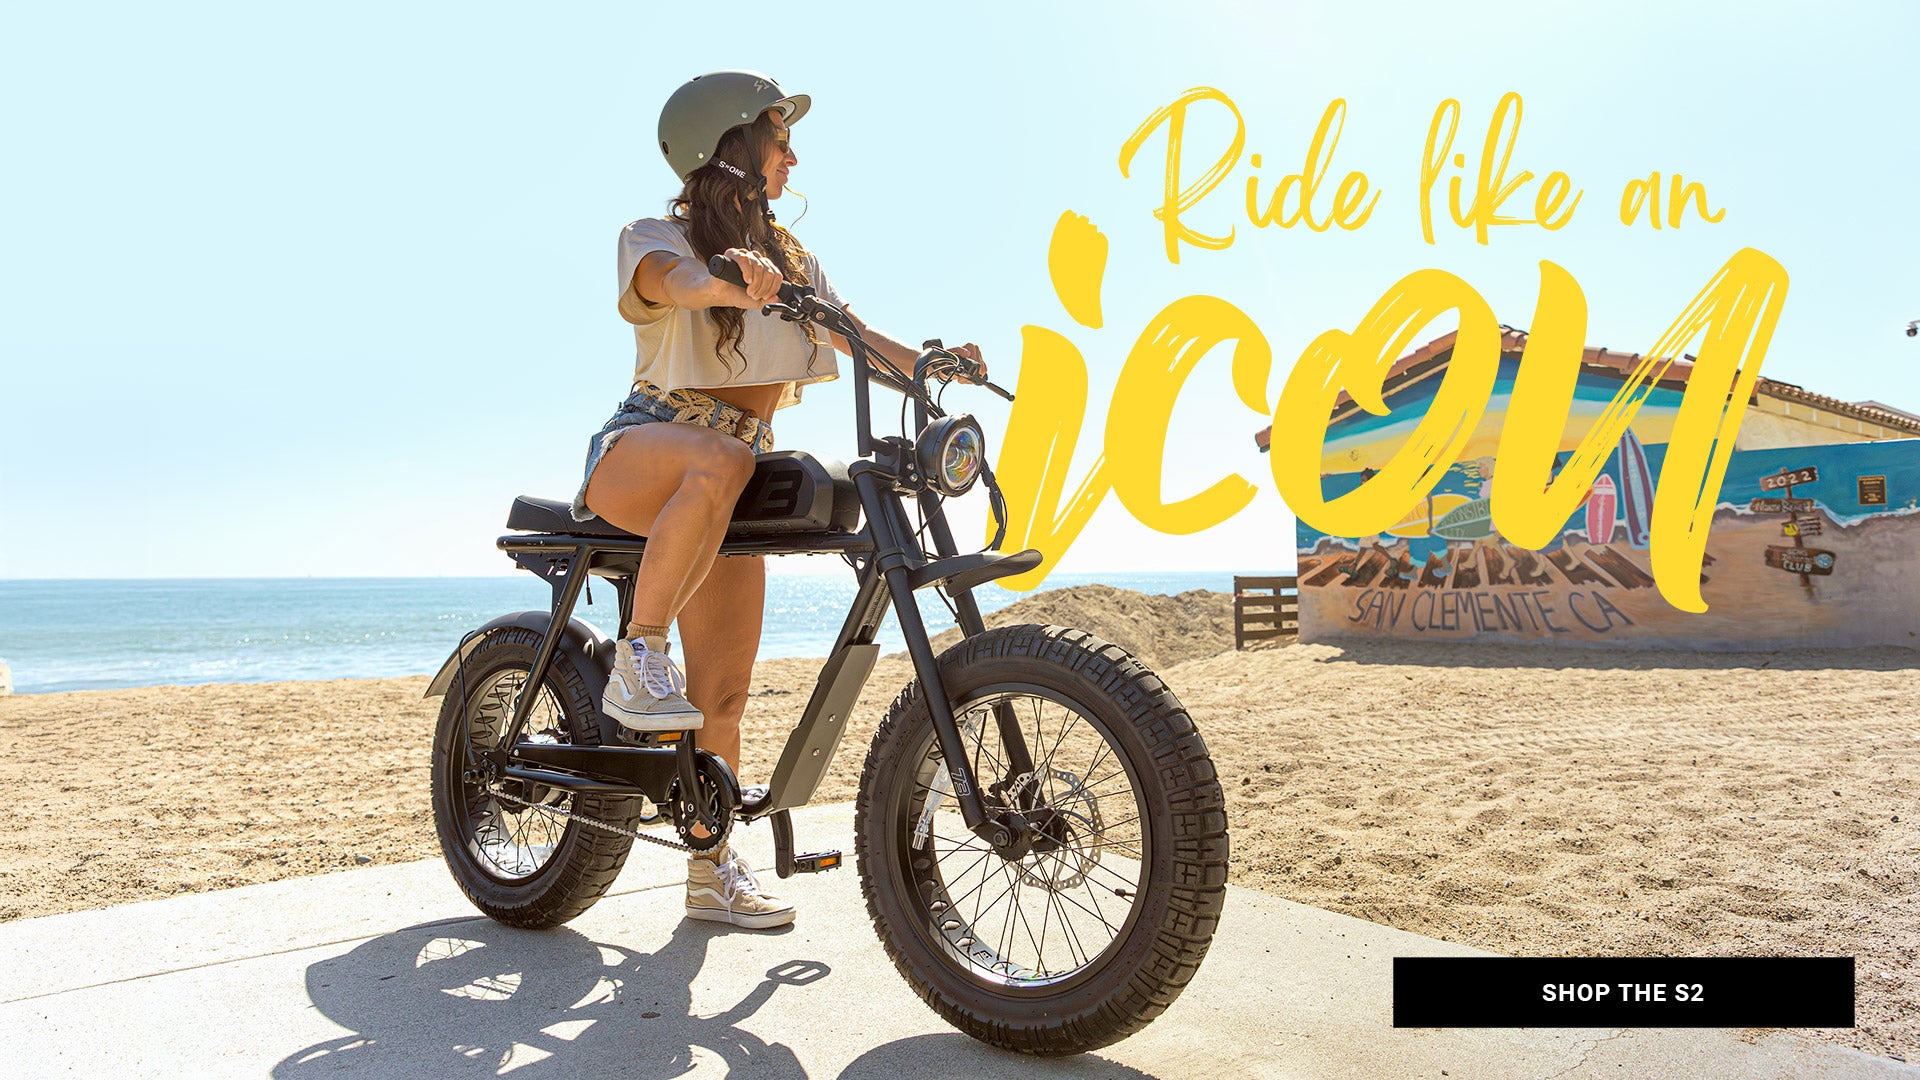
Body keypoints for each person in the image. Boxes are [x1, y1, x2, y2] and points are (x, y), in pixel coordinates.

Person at [571, 71, 986, 930]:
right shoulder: (658, 235)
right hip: (646, 448)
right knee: (721, 460)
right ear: (729, 146)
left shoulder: (794, 265)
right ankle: (636, 656)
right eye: (777, 138)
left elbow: (857, 336)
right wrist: (728, 281)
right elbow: (674, 285)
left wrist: (935, 365)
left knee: (723, 695)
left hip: (730, 478)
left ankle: (710, 872)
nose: (792, 156)